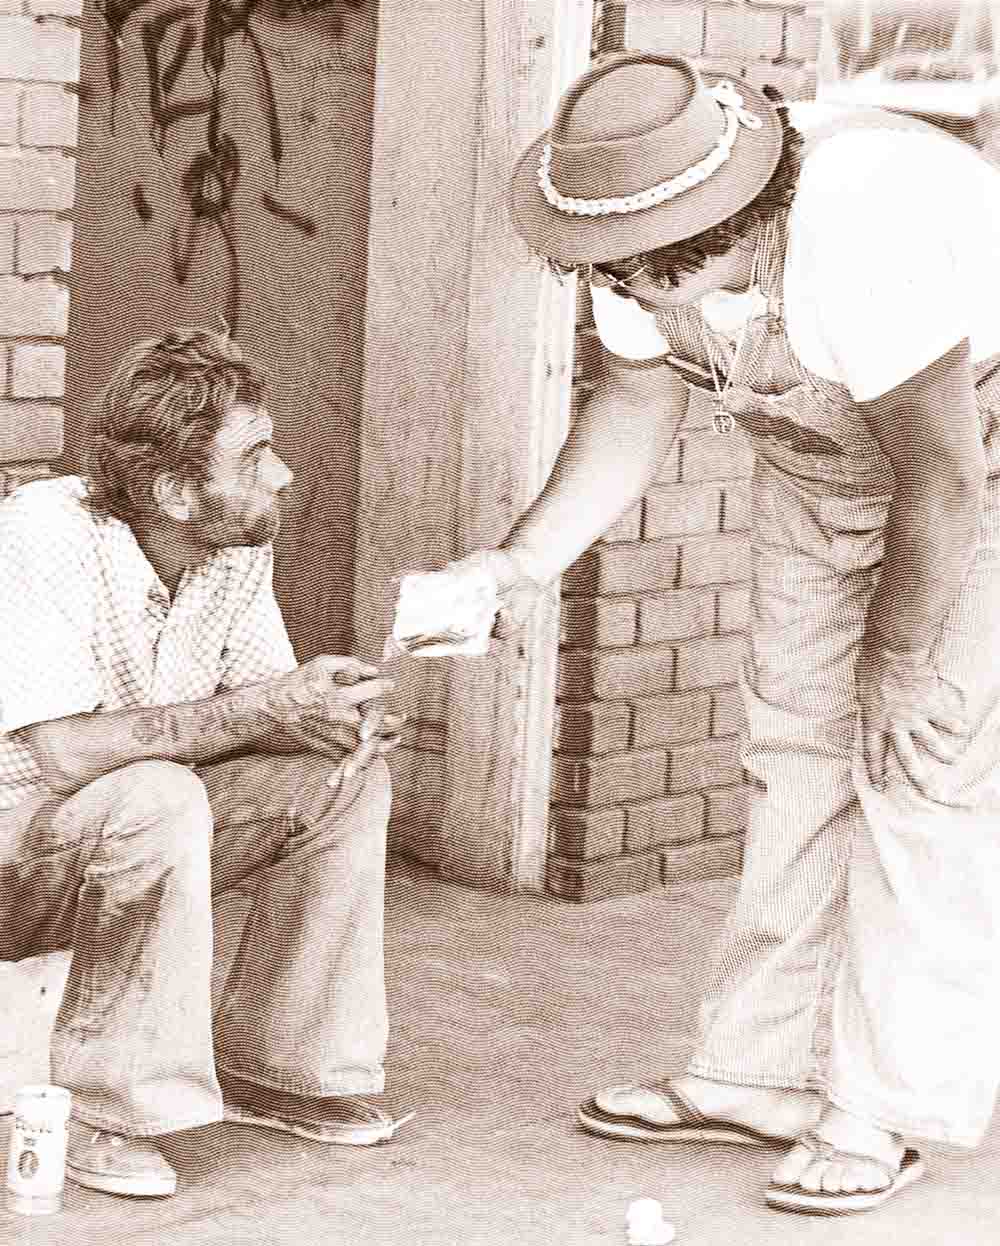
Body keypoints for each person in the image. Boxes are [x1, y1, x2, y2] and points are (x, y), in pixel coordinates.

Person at [449, 50, 1000, 1213]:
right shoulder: (625, 222)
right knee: (792, 753)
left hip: (974, 465)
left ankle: (883, 1108)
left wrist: (897, 663)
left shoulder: (860, 227)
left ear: (719, 226)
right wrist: (521, 563)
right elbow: (637, 402)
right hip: (823, 467)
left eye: (651, 281)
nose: (629, 297)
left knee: (921, 771)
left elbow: (941, 483)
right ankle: (754, 1071)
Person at [0, 329, 410, 1200]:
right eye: (257, 456)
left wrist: (328, 720)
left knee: (340, 781)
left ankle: (283, 1066)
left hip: (104, 837)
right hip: (14, 850)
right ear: (177, 491)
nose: (284, 476)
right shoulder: (43, 531)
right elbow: (60, 750)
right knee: (155, 793)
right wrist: (265, 709)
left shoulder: (230, 546)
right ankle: (107, 1108)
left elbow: (256, 713)